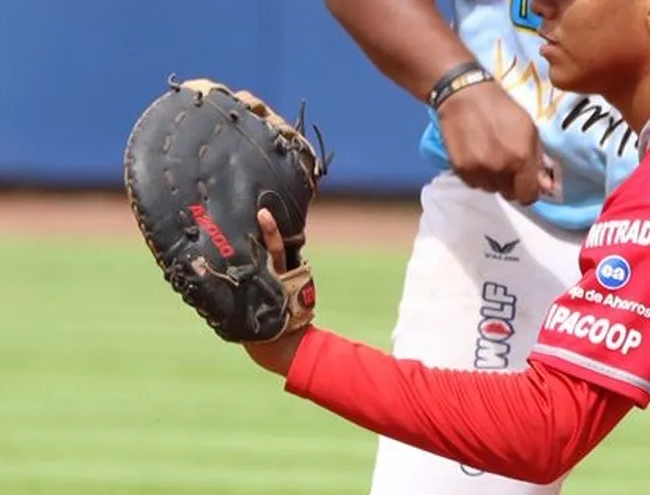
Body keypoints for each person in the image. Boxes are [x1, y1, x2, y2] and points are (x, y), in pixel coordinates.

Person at [241, 0, 650, 489]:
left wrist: (296, 352)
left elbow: (544, 427)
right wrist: (454, 80)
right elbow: (547, 422)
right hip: (510, 199)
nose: (536, 4)